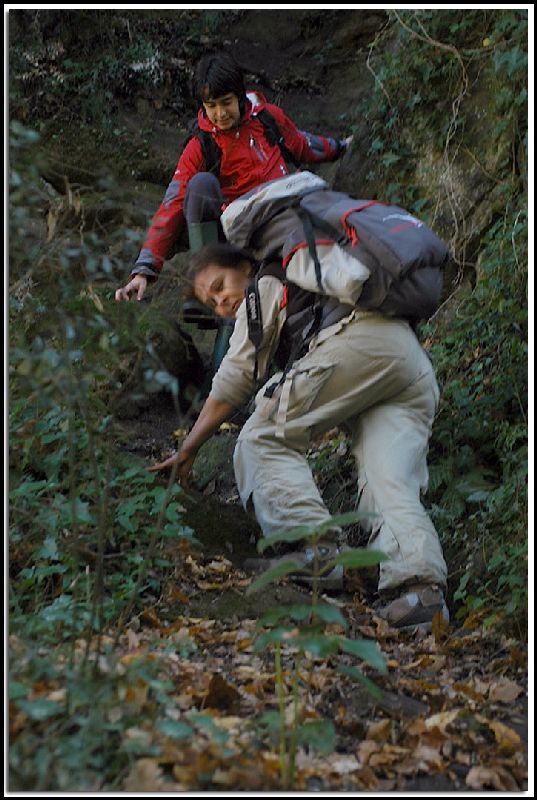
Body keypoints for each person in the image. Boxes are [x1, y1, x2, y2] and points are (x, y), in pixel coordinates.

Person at [148, 240, 449, 633]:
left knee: (263, 436)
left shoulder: (269, 276)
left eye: (221, 286)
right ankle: (421, 594)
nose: (222, 303)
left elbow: (239, 371)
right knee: (387, 479)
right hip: (407, 359)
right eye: (212, 302)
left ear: (244, 265)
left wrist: (189, 446)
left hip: (356, 341)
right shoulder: (312, 271)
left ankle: (316, 550)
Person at [115, 52, 352, 303]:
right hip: (241, 234)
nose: (220, 113)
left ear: (240, 96)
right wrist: (144, 270)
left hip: (285, 214)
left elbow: (301, 143)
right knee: (199, 185)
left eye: (226, 102)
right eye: (211, 106)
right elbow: (172, 204)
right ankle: (209, 285)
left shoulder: (267, 118)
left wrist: (339, 147)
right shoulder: (201, 146)